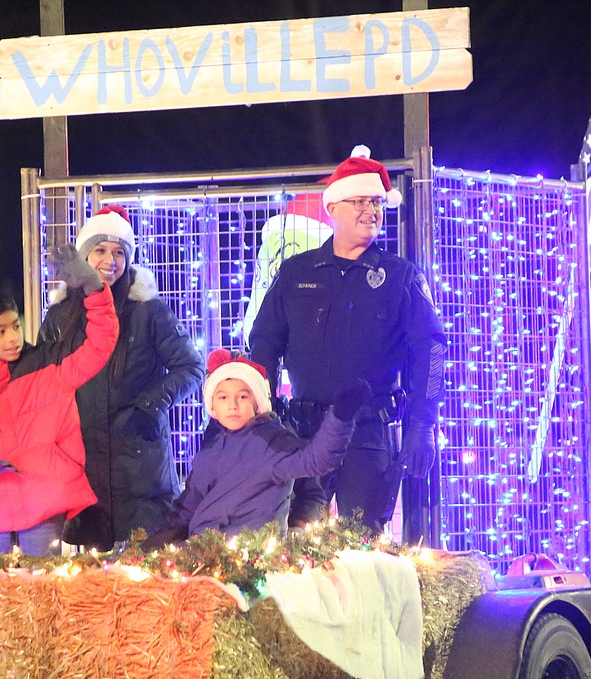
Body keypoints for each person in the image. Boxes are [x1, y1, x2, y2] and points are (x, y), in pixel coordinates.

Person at [249, 145, 446, 532]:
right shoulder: (294, 273)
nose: (370, 211)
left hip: (369, 434)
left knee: (363, 550)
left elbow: (432, 349)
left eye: (376, 203)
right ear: (333, 207)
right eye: (359, 201)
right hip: (303, 435)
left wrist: (423, 423)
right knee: (296, 549)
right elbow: (264, 343)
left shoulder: (401, 276)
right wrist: (262, 417)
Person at [40, 205, 202, 550]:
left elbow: (191, 367)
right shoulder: (59, 316)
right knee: (92, 583)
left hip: (140, 462)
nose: (109, 261)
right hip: (84, 461)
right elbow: (42, 380)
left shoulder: (149, 311)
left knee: (150, 566)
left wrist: (152, 404)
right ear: (84, 255)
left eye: (119, 252)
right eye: (99, 250)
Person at [0, 249, 118, 556]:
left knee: (42, 592)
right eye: (1, 331)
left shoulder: (48, 363)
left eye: (15, 326)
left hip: (44, 503)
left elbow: (100, 343)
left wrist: (92, 287)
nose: (13, 338)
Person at [144, 350, 369, 549]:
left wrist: (340, 418)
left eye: (242, 396)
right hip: (203, 547)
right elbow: (188, 506)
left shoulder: (273, 442)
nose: (232, 405)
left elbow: (316, 460)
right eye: (223, 397)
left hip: (250, 552)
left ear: (257, 402)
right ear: (213, 405)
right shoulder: (211, 448)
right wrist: (159, 540)